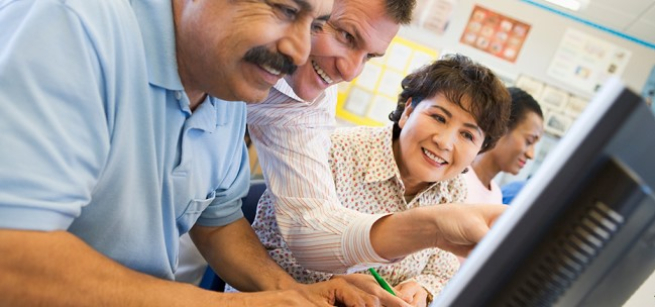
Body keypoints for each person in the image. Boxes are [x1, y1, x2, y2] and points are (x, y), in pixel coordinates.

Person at [0, 0, 381, 306]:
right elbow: (11, 258)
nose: (300, 53)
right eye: (284, 10)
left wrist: (292, 291)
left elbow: (216, 220)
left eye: (315, 25)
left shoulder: (225, 80)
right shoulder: (73, 25)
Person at [232, 55, 512, 307]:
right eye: (438, 118)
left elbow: (442, 269)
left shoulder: (453, 190)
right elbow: (276, 250)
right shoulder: (334, 152)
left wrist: (422, 288)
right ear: (408, 111)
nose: (445, 142)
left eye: (467, 135)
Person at [462, 87, 544, 204]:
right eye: (529, 141)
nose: (531, 154)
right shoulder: (455, 178)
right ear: (500, 128)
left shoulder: (496, 197)